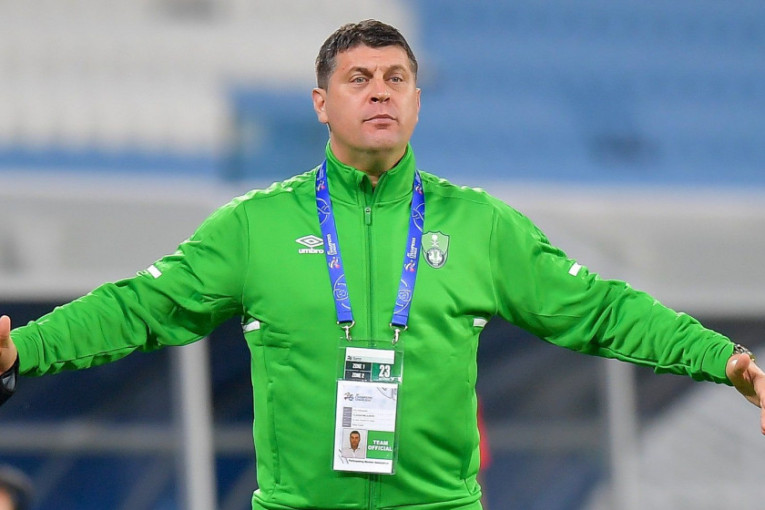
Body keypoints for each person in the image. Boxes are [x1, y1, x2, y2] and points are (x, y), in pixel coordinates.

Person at [0, 19, 763, 510]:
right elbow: (139, 308)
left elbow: (599, 310)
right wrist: (22, 350)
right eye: (358, 80)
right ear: (320, 103)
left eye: (396, 79)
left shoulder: (478, 225)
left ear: (417, 102)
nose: (379, 94)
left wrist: (720, 359)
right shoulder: (255, 226)